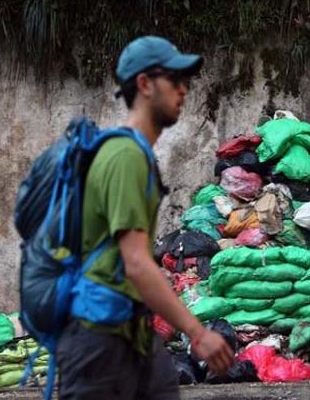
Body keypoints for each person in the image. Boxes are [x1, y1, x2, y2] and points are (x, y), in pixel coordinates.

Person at [56, 36, 235, 399]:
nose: (184, 90)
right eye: (174, 79)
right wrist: (198, 334)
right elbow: (136, 262)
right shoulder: (125, 157)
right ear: (144, 84)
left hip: (128, 333)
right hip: (99, 341)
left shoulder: (127, 152)